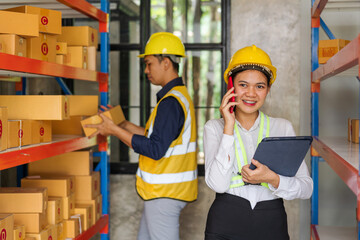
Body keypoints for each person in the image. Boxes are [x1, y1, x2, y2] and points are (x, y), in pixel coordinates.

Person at [86, 32, 198, 240]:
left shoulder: (171, 103)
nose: (146, 70)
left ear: (166, 63)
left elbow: (154, 149)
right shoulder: (177, 96)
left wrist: (113, 130)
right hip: (164, 194)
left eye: (149, 64)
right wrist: (123, 123)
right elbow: (155, 137)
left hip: (165, 195)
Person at [203, 45, 313, 240]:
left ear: (268, 89)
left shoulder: (282, 127)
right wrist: (228, 128)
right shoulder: (214, 128)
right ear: (231, 86)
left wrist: (272, 178)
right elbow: (218, 185)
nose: (251, 93)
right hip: (225, 223)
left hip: (271, 224)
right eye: (243, 85)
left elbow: (306, 188)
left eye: (259, 86)